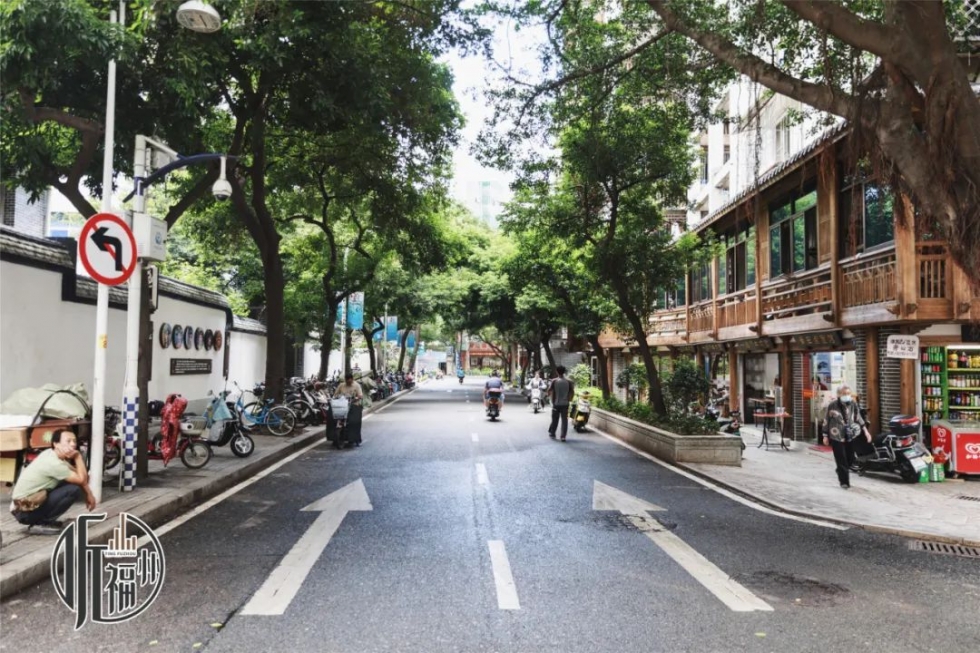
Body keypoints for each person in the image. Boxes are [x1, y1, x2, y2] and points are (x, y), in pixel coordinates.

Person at [9, 429, 97, 535]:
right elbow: (82, 479)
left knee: (72, 483)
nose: (73, 444)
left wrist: (89, 494)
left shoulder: (51, 454)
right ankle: (41, 523)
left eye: (74, 441)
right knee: (73, 490)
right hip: (24, 512)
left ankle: (45, 520)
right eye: (68, 441)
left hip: (25, 508)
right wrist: (77, 457)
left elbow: (81, 476)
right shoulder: (53, 463)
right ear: (56, 444)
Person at [821, 384, 872, 489]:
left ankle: (840, 470)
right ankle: (844, 482)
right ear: (839, 394)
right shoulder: (832, 405)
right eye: (844, 394)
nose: (847, 395)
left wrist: (866, 432)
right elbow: (826, 420)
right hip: (836, 436)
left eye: (848, 393)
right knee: (841, 459)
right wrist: (825, 435)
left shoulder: (853, 404)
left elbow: (859, 418)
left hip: (850, 435)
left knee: (851, 458)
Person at [548, 365, 575, 441]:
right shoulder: (568, 382)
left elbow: (549, 390)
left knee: (555, 419)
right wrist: (570, 399)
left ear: (557, 372)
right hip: (565, 404)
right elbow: (572, 392)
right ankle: (563, 436)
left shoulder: (554, 381)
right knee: (564, 420)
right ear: (564, 372)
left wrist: (549, 396)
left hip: (556, 404)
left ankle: (552, 433)